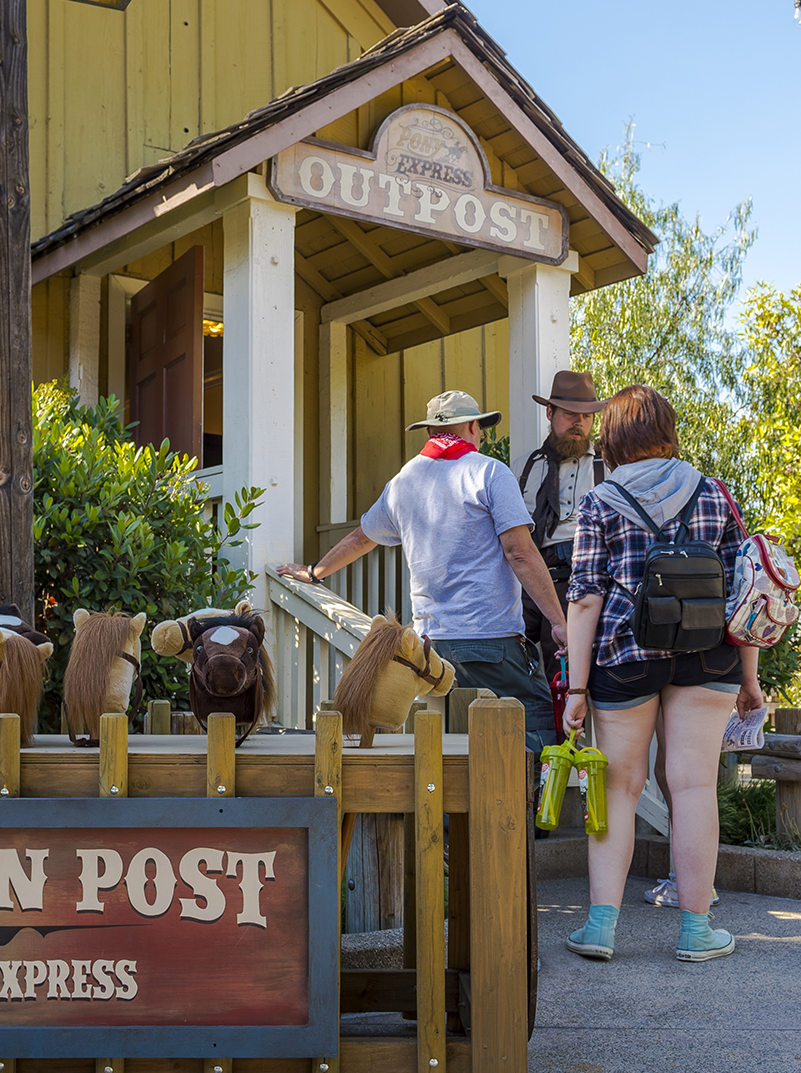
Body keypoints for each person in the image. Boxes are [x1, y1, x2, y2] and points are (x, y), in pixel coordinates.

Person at [560, 385, 762, 964]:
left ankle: (601, 928)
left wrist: (576, 689)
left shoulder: (600, 501)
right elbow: (742, 595)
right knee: (694, 785)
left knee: (618, 789)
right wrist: (749, 679)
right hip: (707, 657)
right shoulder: (715, 493)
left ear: (613, 436)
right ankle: (696, 931)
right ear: (667, 427)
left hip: (625, 657)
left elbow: (583, 600)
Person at [276, 389, 568, 754]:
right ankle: (529, 811)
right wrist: (558, 622)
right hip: (491, 640)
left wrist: (315, 572)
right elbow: (520, 553)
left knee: (445, 747)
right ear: (474, 427)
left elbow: (362, 539)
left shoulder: (403, 482)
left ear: (430, 431)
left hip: (430, 649)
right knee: (535, 725)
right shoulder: (489, 472)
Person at [514, 370, 608, 686]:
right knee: (514, 666)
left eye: (586, 416)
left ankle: (565, 736)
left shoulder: (606, 468)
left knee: (565, 677)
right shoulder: (524, 468)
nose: (578, 423)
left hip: (577, 581)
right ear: (551, 413)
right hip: (528, 580)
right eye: (570, 414)